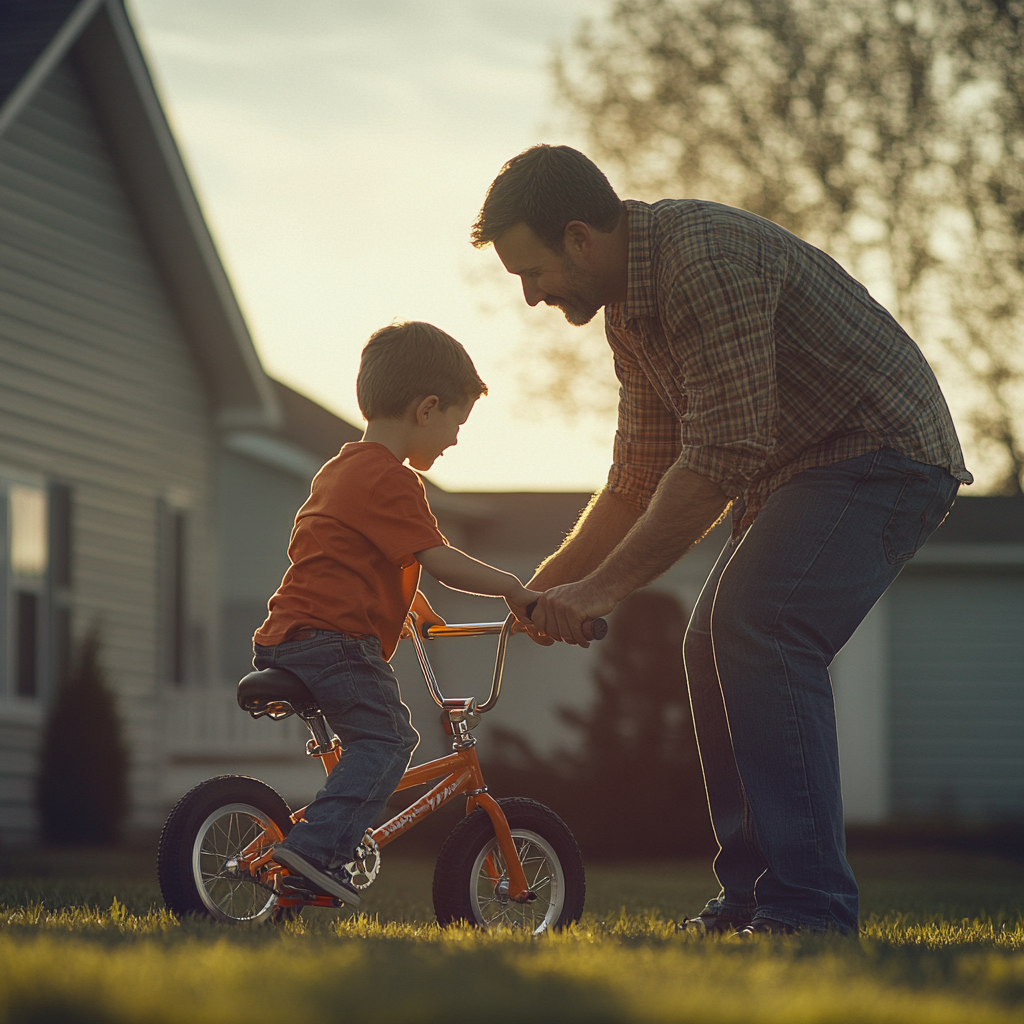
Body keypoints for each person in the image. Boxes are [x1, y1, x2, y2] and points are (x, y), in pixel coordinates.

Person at [471, 144, 971, 936]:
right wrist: (548, 583)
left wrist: (599, 591)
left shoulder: (702, 262)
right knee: (710, 643)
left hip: (882, 453)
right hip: (800, 466)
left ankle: (809, 909)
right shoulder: (630, 316)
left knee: (759, 627)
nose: (532, 297)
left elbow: (723, 454)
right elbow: (638, 475)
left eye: (532, 273)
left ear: (579, 237)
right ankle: (751, 899)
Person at [253, 321, 539, 904]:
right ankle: (315, 855)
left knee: (363, 746)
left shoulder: (340, 469)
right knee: (387, 741)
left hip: (288, 635)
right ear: (427, 409)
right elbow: (440, 560)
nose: (455, 440)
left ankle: (310, 844)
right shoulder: (394, 479)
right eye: (457, 423)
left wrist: (414, 610)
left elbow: (352, 559)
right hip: (335, 641)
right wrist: (515, 588)